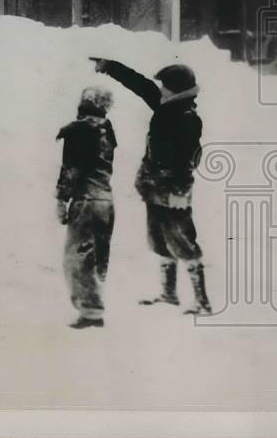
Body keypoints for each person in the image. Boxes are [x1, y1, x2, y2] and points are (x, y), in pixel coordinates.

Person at [90, 58, 212, 315]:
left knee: (183, 242)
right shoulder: (167, 105)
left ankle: (202, 301)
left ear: (176, 89)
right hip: (154, 186)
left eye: (166, 85)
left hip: (173, 190)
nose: (161, 89)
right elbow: (141, 85)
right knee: (159, 241)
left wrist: (180, 191)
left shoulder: (188, 118)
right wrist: (111, 67)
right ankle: (169, 294)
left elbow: (189, 158)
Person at [56, 85, 117, 329]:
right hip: (106, 201)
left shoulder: (78, 130)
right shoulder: (107, 130)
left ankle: (91, 312)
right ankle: (94, 305)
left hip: (86, 201)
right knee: (98, 257)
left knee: (77, 258)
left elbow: (71, 169)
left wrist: (61, 199)